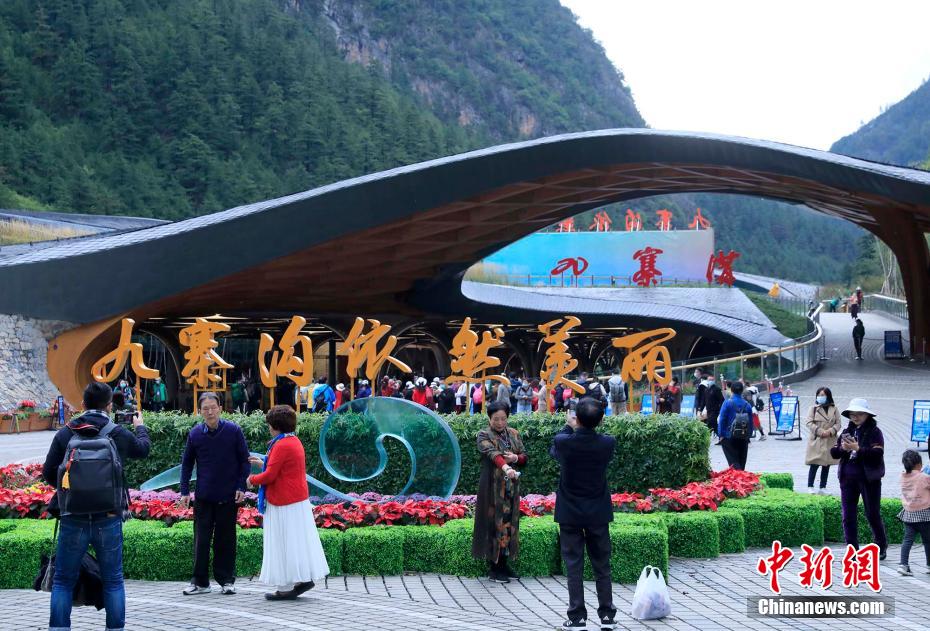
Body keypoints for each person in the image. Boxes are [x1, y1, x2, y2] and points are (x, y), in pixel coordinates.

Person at [42, 382, 151, 631]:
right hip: (108, 517)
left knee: (63, 581)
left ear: (83, 404)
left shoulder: (66, 433)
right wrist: (140, 427)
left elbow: (48, 472)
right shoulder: (116, 432)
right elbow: (143, 449)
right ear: (109, 406)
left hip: (73, 517)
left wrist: (70, 489)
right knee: (113, 581)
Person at [247, 406, 329, 600]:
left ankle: (285, 588)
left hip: (283, 501)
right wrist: (263, 462)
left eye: (270, 424)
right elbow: (282, 466)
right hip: (295, 500)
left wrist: (251, 479)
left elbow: (271, 475)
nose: (269, 428)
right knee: (294, 542)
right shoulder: (293, 441)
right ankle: (302, 579)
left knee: (282, 543)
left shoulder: (282, 444)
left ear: (276, 425)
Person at [550, 398, 617, 630]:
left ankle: (577, 617)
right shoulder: (607, 443)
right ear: (601, 420)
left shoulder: (563, 441)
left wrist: (569, 426)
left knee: (573, 566)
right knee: (602, 565)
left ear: (576, 418)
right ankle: (607, 616)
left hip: (570, 512)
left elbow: (556, 448)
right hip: (598, 512)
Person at [178, 392, 250, 595]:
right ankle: (200, 582)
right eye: (205, 409)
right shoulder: (195, 434)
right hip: (204, 496)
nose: (210, 412)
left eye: (213, 407)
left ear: (220, 408)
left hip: (228, 495)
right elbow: (186, 464)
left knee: (225, 540)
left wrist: (241, 487)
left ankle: (226, 581)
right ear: (199, 411)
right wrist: (184, 491)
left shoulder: (233, 431)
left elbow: (244, 461)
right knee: (201, 540)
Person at [472, 401, 527, 583]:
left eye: (503, 419)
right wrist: (506, 467)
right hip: (492, 486)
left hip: (510, 487)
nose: (500, 422)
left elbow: (524, 456)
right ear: (489, 418)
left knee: (509, 524)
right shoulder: (483, 435)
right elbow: (493, 454)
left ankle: (504, 564)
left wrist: (516, 458)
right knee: (494, 523)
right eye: (496, 419)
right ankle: (494, 568)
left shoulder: (513, 433)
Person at [830, 398, 888, 559]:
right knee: (848, 516)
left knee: (872, 513)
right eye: (852, 414)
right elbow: (833, 453)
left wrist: (858, 449)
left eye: (859, 414)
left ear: (867, 415)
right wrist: (843, 448)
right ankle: (852, 550)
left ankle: (881, 545)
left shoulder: (875, 432)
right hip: (847, 479)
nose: (855, 417)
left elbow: (877, 454)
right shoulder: (846, 432)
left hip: (869, 479)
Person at [896, 450, 930, 576]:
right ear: (918, 464)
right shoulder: (924, 477)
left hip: (909, 515)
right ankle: (929, 564)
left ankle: (903, 565)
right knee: (928, 541)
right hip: (924, 515)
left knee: (907, 540)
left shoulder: (903, 477)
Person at [804, 387, 841, 494]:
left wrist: (830, 431)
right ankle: (810, 486)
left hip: (829, 440)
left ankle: (822, 487)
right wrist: (820, 431)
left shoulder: (834, 409)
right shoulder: (813, 408)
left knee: (826, 464)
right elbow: (809, 422)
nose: (820, 397)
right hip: (817, 440)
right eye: (819, 395)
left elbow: (838, 423)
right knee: (814, 463)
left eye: (823, 395)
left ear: (828, 396)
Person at [717, 381, 753, 470]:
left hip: (728, 436)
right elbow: (750, 422)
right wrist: (748, 435)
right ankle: (743, 477)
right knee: (741, 462)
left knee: (733, 462)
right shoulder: (747, 405)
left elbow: (722, 420)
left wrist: (721, 434)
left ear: (731, 390)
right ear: (742, 391)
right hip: (743, 436)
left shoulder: (727, 403)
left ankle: (738, 476)